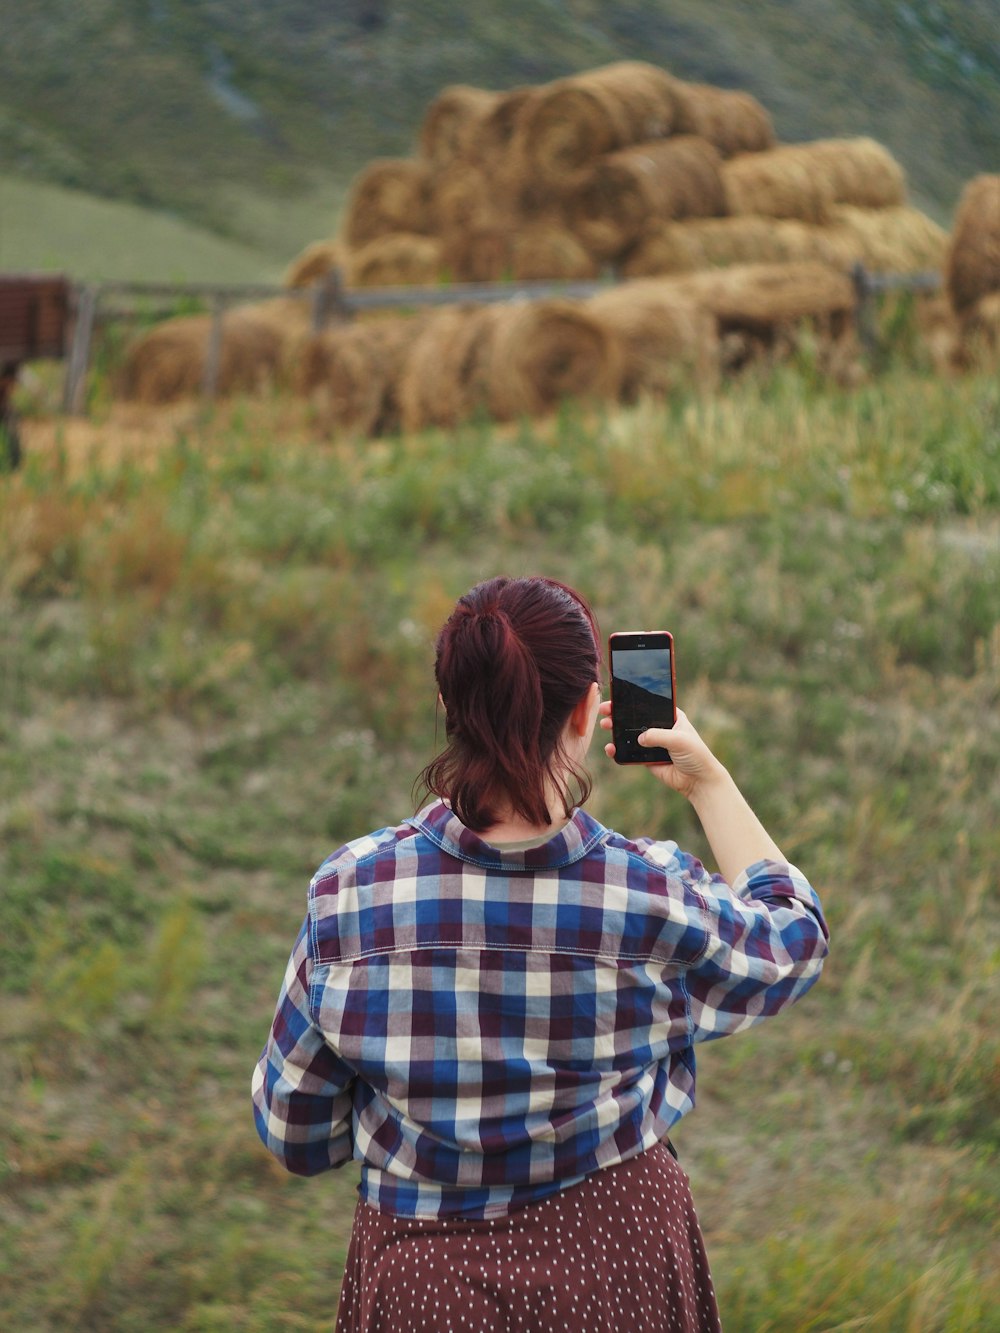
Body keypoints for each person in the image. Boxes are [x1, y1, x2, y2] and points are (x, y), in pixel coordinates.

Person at [253, 575, 829, 1332]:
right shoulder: (648, 896)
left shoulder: (350, 894)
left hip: (428, 1286)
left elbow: (295, 1129)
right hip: (619, 1264)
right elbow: (793, 937)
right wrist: (707, 782)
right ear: (590, 711)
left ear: (449, 708)